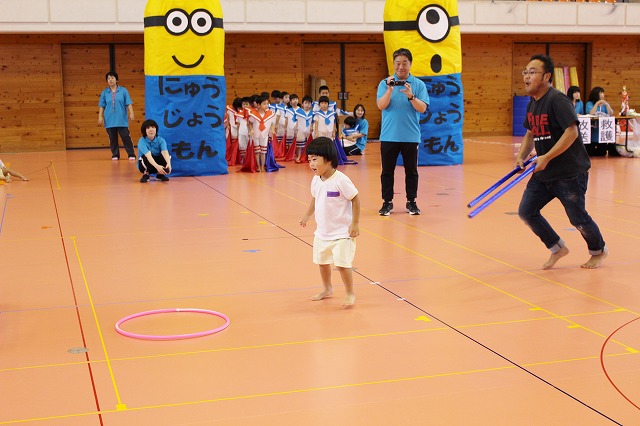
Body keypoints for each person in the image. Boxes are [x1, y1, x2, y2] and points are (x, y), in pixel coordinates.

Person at [516, 54, 607, 270]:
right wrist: (521, 156)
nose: (526, 76)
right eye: (525, 72)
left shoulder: (557, 100)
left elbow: (572, 132)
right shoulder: (532, 103)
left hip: (569, 173)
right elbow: (530, 133)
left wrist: (546, 157)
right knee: (526, 212)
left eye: (532, 72)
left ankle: (598, 250)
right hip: (544, 172)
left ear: (547, 76)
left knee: (578, 218)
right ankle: (557, 248)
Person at [299, 137, 360, 306]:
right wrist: (307, 215)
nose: (311, 164)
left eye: (315, 159)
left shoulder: (341, 180)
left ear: (328, 159)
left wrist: (355, 223)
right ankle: (327, 288)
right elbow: (315, 198)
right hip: (322, 232)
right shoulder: (316, 180)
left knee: (342, 265)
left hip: (341, 233)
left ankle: (349, 292)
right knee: (322, 262)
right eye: (309, 160)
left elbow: (355, 199)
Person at [376, 48, 429, 216]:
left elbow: (422, 108)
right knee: (387, 171)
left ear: (410, 64)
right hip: (389, 136)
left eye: (404, 63)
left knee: (411, 171)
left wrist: (411, 96)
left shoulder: (418, 84)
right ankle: (387, 202)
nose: (401, 67)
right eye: (397, 63)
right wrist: (389, 90)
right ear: (393, 64)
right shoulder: (385, 83)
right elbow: (381, 105)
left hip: (410, 136)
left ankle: (411, 201)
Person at [98, 71, 136, 161]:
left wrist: (131, 113)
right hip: (109, 119)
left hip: (121, 119)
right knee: (112, 138)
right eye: (108, 78)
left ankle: (131, 154)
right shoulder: (105, 92)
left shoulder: (123, 91)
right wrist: (100, 116)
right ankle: (115, 154)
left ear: (116, 79)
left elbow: (128, 103)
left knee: (126, 137)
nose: (110, 80)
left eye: (112, 78)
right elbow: (102, 105)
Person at [248, 95, 276, 172]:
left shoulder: (270, 114)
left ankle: (262, 166)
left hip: (264, 134)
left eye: (267, 103)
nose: (266, 105)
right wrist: (251, 130)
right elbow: (250, 123)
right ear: (258, 105)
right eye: (264, 104)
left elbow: (272, 124)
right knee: (257, 151)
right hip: (256, 134)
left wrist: (272, 130)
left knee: (263, 151)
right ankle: (258, 166)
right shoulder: (253, 113)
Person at [585, 86, 614, 156]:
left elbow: (611, 113)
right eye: (601, 93)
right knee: (590, 152)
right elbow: (590, 113)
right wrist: (597, 104)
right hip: (593, 129)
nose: (603, 94)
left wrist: (607, 105)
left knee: (602, 153)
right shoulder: (589, 103)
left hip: (602, 130)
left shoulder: (605, 104)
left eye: (603, 93)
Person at [295, 96, 315, 162]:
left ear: (311, 105)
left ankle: (309, 157)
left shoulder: (313, 113)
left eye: (309, 103)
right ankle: (299, 156)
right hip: (301, 129)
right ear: (302, 104)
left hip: (309, 130)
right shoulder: (298, 112)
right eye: (305, 103)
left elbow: (313, 121)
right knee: (299, 144)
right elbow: (297, 121)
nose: (307, 105)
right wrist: (296, 129)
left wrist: (312, 127)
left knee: (310, 144)